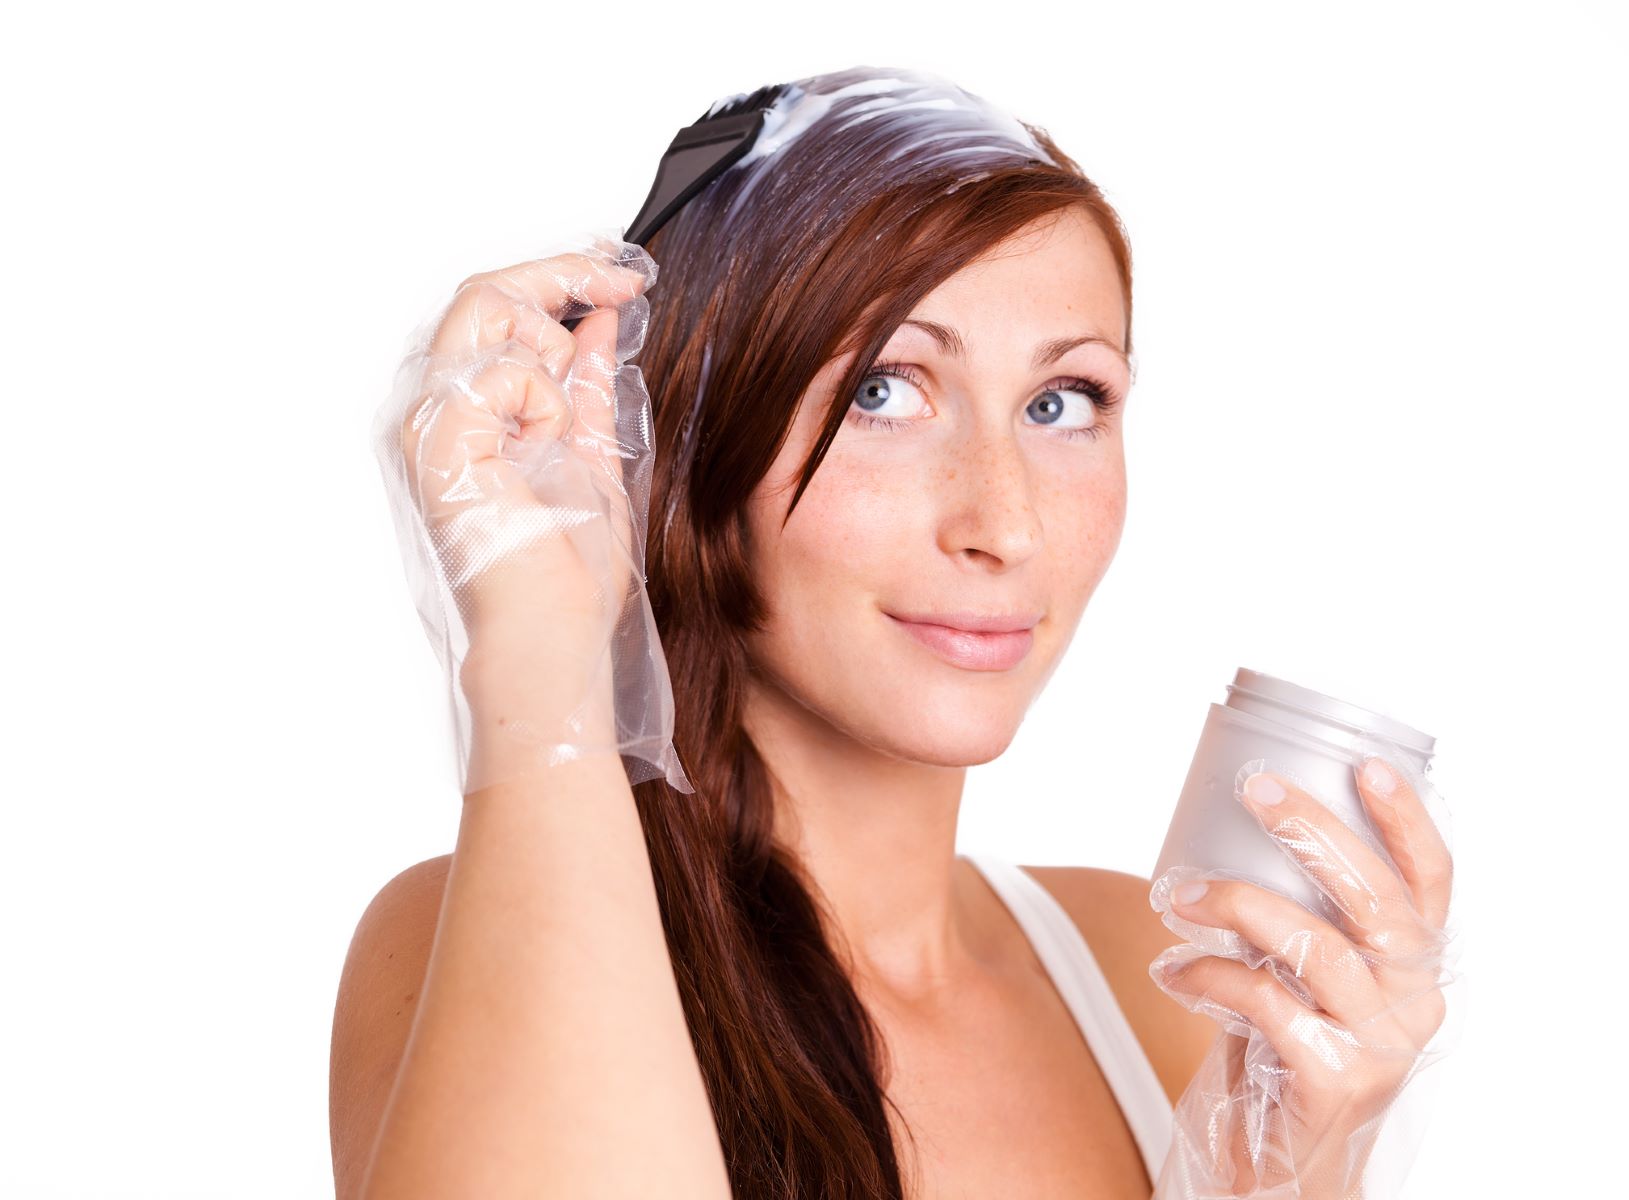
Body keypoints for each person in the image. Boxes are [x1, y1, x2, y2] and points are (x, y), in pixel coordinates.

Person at [329, 66, 1451, 1200]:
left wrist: (1291, 1166)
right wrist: (542, 650)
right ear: (676, 433)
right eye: (884, 389)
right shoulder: (453, 939)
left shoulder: (1151, 976)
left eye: (1065, 400)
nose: (1004, 525)